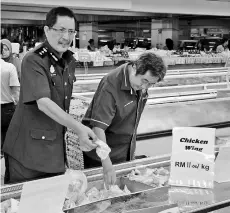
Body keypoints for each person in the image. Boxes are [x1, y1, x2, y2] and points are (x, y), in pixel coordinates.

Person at [3, 6, 97, 184]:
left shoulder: (69, 61)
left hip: (52, 150)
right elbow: (44, 103)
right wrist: (78, 128)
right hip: (27, 153)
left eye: (71, 31)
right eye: (60, 30)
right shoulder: (33, 60)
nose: (66, 37)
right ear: (47, 30)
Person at [82, 52, 167, 187]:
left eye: (151, 84)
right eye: (144, 81)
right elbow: (98, 127)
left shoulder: (139, 85)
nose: (145, 87)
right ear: (134, 68)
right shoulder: (111, 85)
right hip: (101, 156)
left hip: (124, 154)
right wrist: (106, 162)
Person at [1, 43, 20, 155]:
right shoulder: (9, 67)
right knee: (8, 141)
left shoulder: (15, 62)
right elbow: (16, 90)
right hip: (7, 108)